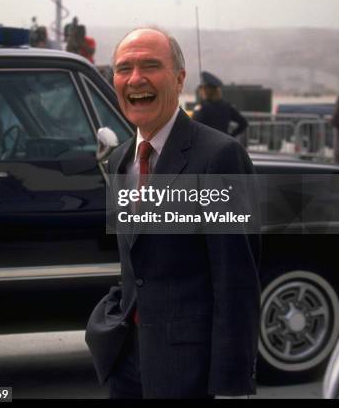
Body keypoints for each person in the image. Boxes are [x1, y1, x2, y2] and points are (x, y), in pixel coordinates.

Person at [85, 27, 261, 399]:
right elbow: (137, 262)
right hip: (127, 363)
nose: (136, 79)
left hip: (190, 373)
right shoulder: (120, 160)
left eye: (151, 65)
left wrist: (231, 385)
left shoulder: (219, 157)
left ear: (180, 79)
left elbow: (236, 283)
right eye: (123, 68)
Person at [192, 71, 248, 138]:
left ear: (207, 90)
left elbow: (194, 126)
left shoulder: (202, 108)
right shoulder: (227, 106)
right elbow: (243, 123)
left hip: (207, 144)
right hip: (223, 144)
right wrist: (230, 136)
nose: (201, 91)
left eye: (203, 89)